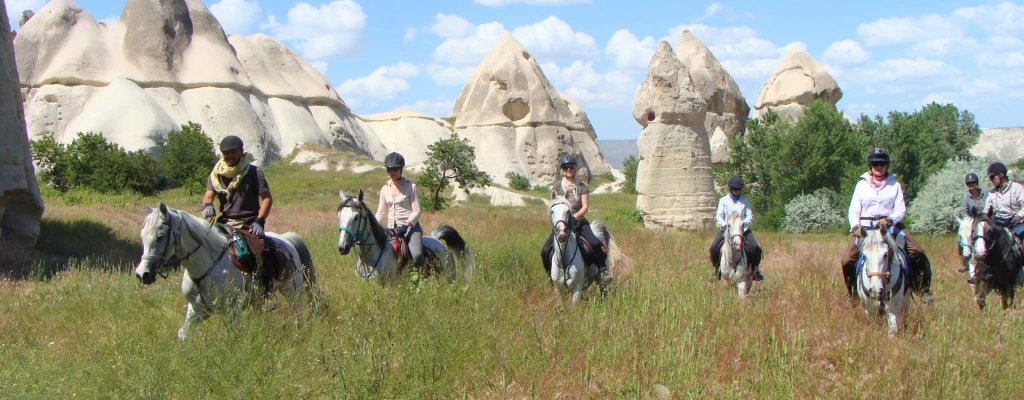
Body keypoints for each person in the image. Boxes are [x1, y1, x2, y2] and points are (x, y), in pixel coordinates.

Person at [841, 147, 934, 303]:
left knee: (917, 251)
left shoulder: (894, 185)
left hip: (890, 227)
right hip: (865, 228)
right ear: (870, 165)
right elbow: (854, 210)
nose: (879, 167)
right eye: (876, 164)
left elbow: (900, 209)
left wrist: (889, 219)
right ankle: (852, 294)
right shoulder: (861, 186)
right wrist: (855, 226)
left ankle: (922, 289)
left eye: (882, 164)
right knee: (846, 260)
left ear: (887, 165)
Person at [201, 135, 274, 296]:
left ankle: (264, 288)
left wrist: (259, 221)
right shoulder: (216, 174)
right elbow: (208, 196)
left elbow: (267, 198)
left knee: (260, 250)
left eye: (233, 153)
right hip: (225, 221)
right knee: (202, 246)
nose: (230, 157)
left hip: (249, 222)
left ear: (241, 151)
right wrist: (207, 206)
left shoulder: (254, 172)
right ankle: (202, 289)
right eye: (226, 154)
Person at [541, 154, 612, 286]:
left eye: (572, 167)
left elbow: (585, 207)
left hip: (578, 220)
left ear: (575, 169)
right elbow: (553, 206)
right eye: (566, 167)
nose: (569, 169)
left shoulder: (582, 186)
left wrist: (574, 217)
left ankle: (603, 271)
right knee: (545, 250)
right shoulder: (557, 187)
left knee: (596, 244)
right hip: (561, 223)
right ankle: (550, 277)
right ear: (562, 169)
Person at [708, 176, 764, 281]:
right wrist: (725, 224)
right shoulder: (723, 200)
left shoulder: (745, 201)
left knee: (755, 248)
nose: (737, 191)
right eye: (734, 189)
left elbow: (749, 216)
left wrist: (742, 223)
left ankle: (755, 270)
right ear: (730, 189)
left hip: (742, 230)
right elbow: (719, 215)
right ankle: (716, 270)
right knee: (713, 247)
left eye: (738, 189)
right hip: (727, 230)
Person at [375, 152, 424, 268]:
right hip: (392, 229)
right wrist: (373, 225)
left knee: (417, 255)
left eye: (395, 169)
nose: (392, 172)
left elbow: (417, 210)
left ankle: (425, 274)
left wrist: (406, 225)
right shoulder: (384, 189)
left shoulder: (410, 186)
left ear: (401, 169)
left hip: (410, 228)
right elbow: (381, 212)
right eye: (389, 170)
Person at [978, 161, 1024, 282]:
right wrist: (982, 217)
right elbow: (986, 210)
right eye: (990, 177)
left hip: (1017, 223)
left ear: (1001, 174)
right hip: (999, 224)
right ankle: (982, 272)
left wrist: (1019, 216)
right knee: (983, 242)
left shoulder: (1017, 188)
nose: (991, 180)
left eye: (992, 176)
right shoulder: (992, 193)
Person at [959, 172, 987, 273]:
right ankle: (965, 261)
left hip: (984, 219)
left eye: (973, 182)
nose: (971, 185)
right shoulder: (966, 197)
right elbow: (963, 211)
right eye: (969, 183)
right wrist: (969, 220)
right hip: (972, 220)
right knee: (961, 237)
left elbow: (989, 205)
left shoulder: (985, 193)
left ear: (976, 183)